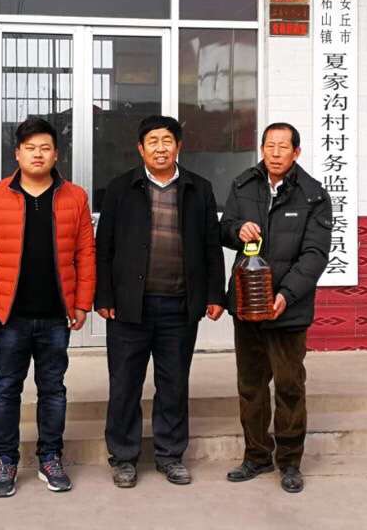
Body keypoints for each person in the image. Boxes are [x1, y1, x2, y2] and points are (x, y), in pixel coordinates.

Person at [0, 116, 96, 498]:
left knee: (53, 390)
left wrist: (82, 303)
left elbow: (85, 254)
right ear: (17, 154)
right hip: (10, 318)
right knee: (6, 389)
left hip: (56, 316)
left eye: (45, 148)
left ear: (56, 154)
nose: (37, 154)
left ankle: (50, 458)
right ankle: (5, 461)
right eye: (30, 148)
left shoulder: (75, 197)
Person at [95, 115, 226, 489]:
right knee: (125, 384)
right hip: (129, 307)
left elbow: (211, 246)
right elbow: (104, 247)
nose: (160, 148)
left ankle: (170, 455)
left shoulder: (198, 189)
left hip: (179, 307)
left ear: (178, 146)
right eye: (152, 141)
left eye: (167, 140)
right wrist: (104, 295)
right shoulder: (121, 188)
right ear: (141, 148)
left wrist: (214, 294)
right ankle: (123, 457)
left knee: (174, 384)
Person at [220, 122, 332, 494]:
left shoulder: (313, 195)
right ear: (262, 148)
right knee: (251, 385)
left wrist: (286, 294)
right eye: (270, 145)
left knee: (288, 386)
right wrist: (237, 230)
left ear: (296, 152)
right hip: (248, 303)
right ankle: (255, 456)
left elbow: (315, 255)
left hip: (288, 310)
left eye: (284, 147)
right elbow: (223, 229)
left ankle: (289, 462)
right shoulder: (243, 185)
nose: (276, 152)